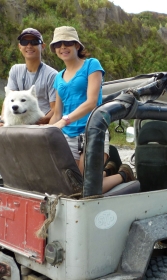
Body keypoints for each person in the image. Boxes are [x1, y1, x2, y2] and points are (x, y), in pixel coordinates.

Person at [49, 26, 135, 193]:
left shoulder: (91, 65)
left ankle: (124, 174)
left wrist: (64, 121)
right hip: (68, 136)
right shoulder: (58, 77)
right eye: (58, 44)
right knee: (71, 185)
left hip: (93, 131)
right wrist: (44, 130)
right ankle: (107, 171)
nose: (62, 47)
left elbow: (92, 102)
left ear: (77, 46)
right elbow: (57, 113)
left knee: (84, 188)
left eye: (67, 42)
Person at [0, 28, 57, 127]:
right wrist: (3, 120)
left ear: (42, 46)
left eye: (34, 42)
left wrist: (41, 122)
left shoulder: (52, 75)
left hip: (39, 123)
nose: (29, 45)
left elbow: (55, 109)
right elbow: (9, 98)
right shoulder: (15, 70)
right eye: (24, 42)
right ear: (20, 46)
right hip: (15, 121)